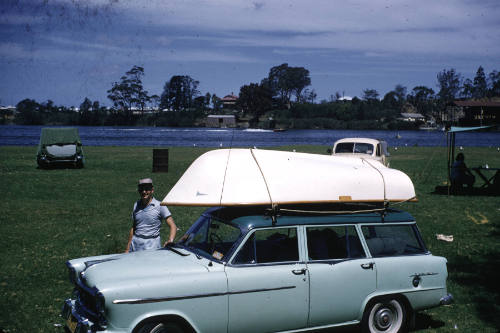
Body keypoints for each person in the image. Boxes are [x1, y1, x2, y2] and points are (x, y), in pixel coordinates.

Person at [125, 178, 177, 252]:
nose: (144, 192)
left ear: (152, 190)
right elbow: (134, 227)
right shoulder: (136, 205)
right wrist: (127, 248)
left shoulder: (160, 206)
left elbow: (173, 226)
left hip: (151, 245)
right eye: (141, 189)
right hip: (135, 245)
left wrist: (170, 240)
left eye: (147, 189)